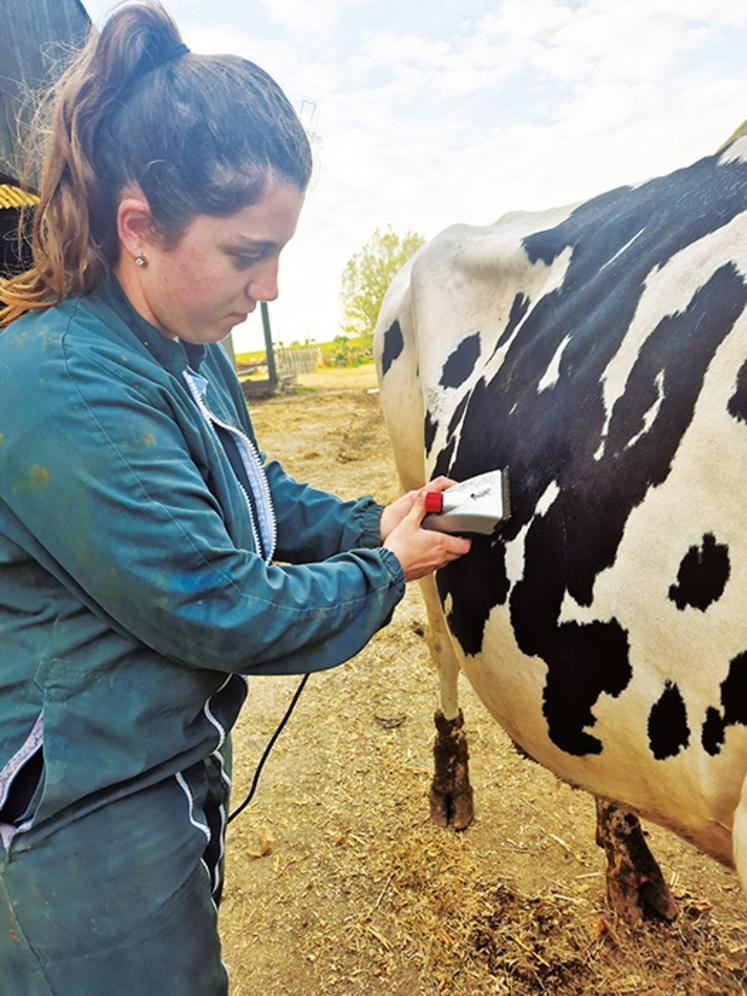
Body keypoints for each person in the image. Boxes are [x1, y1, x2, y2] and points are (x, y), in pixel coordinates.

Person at [0, 3, 470, 993]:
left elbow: (259, 496)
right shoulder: (57, 382)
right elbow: (216, 604)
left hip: (167, 759)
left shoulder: (188, 352)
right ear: (139, 228)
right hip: (80, 815)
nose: (272, 285)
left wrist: (368, 521)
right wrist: (382, 571)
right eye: (248, 253)